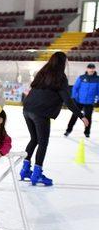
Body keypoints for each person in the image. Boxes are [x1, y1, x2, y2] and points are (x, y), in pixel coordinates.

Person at [20, 51, 88, 186]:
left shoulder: (42, 73)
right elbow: (68, 101)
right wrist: (82, 116)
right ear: (62, 63)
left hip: (27, 109)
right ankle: (37, 174)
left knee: (34, 139)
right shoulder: (60, 77)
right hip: (40, 113)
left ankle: (25, 170)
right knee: (43, 142)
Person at [65, 63, 99, 138]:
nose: (91, 69)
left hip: (89, 102)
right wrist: (75, 97)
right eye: (90, 68)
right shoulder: (81, 77)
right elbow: (75, 88)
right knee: (74, 115)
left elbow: (98, 91)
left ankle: (87, 132)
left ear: (94, 69)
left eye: (92, 68)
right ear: (87, 69)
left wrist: (96, 99)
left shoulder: (97, 79)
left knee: (88, 117)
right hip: (79, 101)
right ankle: (68, 130)